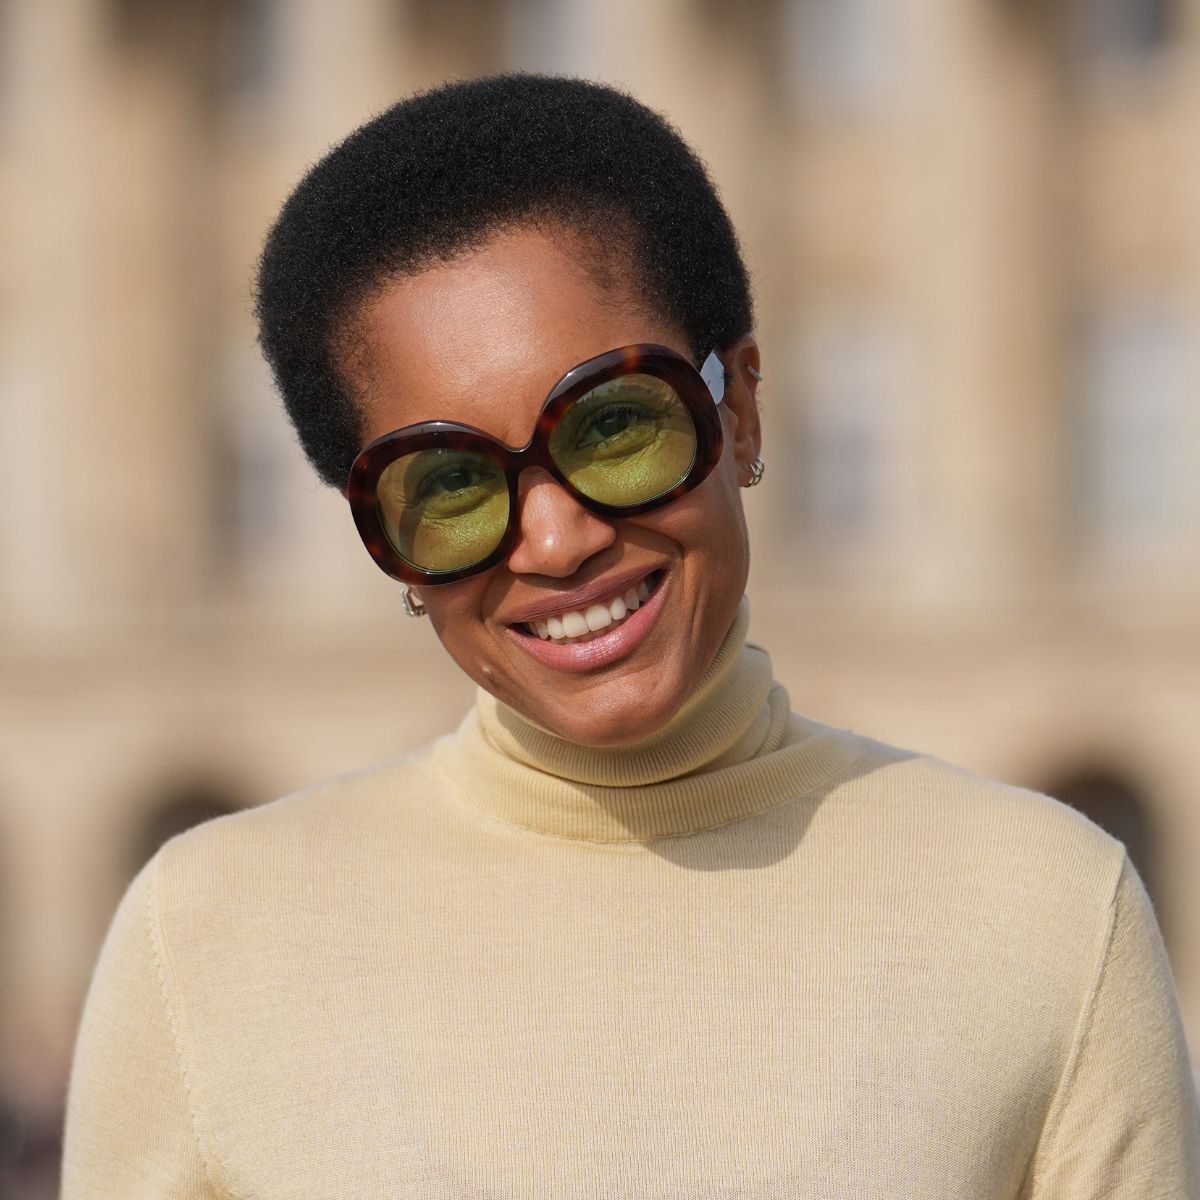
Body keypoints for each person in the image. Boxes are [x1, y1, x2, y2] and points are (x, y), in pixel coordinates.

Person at [60, 74, 1199, 1198]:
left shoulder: (1048, 912)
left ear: (739, 408)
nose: (554, 541)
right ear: (384, 542)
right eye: (450, 484)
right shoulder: (204, 938)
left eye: (614, 426)